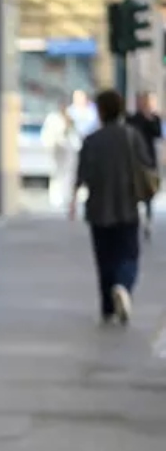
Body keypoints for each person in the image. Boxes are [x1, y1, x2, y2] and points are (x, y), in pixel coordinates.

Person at [69, 88, 153, 326]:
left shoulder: (91, 140)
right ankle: (123, 285)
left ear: (102, 111)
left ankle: (108, 306)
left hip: (98, 208)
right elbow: (145, 166)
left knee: (104, 257)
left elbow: (82, 174)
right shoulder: (132, 136)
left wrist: (74, 200)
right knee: (129, 253)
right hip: (127, 206)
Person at [127, 91, 162, 239]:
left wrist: (149, 117)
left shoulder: (154, 119)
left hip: (149, 160)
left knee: (148, 192)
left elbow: (158, 134)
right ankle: (134, 219)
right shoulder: (132, 119)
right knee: (132, 191)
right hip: (134, 160)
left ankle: (148, 219)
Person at [41, 99, 80, 209]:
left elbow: (73, 135)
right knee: (56, 173)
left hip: (67, 150)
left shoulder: (70, 118)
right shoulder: (53, 118)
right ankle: (56, 198)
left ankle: (65, 196)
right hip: (56, 149)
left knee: (67, 174)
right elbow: (48, 135)